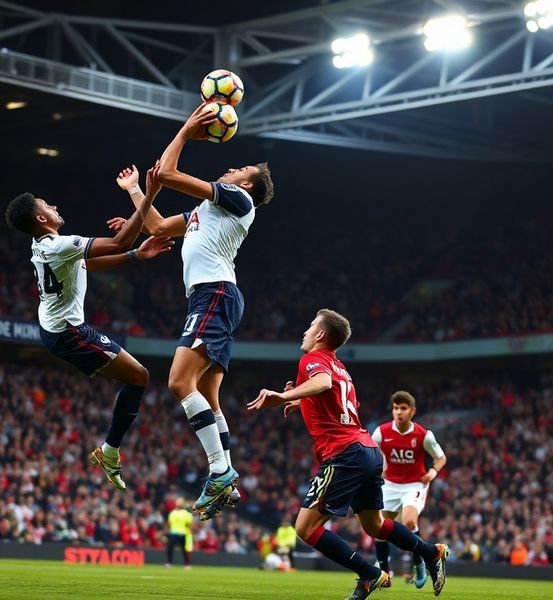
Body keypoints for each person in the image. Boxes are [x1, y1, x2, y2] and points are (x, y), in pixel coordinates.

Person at [113, 104, 274, 520]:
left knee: (178, 382)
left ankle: (220, 472)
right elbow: (159, 228)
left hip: (214, 294)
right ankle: (227, 479)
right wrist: (136, 192)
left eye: (241, 169)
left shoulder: (238, 200)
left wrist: (185, 130)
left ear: (248, 186)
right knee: (210, 396)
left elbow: (168, 174)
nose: (232, 169)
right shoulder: (209, 210)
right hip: (215, 297)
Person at [247, 309, 449, 600]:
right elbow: (334, 403)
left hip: (344, 453)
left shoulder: (312, 359)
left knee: (304, 528)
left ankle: (370, 574)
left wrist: (284, 396)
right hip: (366, 450)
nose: (305, 332)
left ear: (320, 335)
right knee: (374, 525)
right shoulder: (341, 367)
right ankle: (431, 552)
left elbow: (322, 384)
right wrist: (302, 400)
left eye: (310, 326)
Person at [4, 165, 172, 491]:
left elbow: (89, 263)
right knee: (139, 377)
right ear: (41, 219)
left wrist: (137, 254)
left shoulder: (47, 245)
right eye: (47, 206)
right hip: (69, 332)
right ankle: (110, 451)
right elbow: (119, 241)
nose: (53, 206)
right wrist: (148, 194)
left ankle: (110, 450)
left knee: (137, 377)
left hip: (56, 328)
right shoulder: (57, 245)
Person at [372, 390, 447, 588]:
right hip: (389, 485)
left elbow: (441, 457)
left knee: (409, 520)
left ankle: (418, 561)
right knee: (379, 528)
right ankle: (384, 573)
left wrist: (432, 471)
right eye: (396, 408)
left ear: (412, 411)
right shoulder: (381, 432)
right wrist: (379, 467)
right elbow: (370, 451)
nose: (398, 412)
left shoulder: (424, 435)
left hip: (414, 484)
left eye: (403, 408)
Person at [165, 497, 193, 569]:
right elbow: (169, 524)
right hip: (173, 533)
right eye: (178, 502)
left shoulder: (186, 514)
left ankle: (187, 564)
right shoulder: (173, 513)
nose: (179, 503)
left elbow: (189, 525)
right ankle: (169, 562)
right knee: (170, 548)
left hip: (183, 533)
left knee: (185, 550)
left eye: (180, 502)